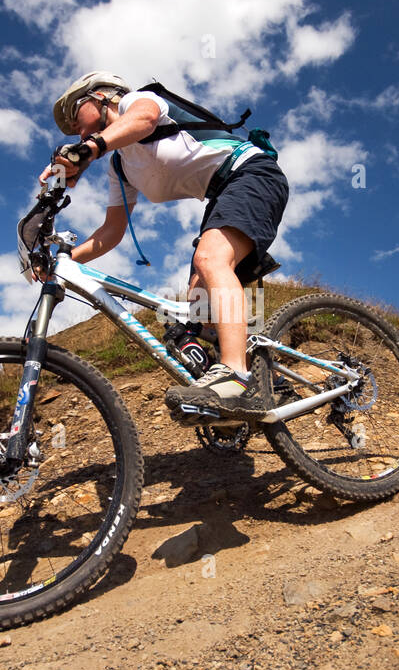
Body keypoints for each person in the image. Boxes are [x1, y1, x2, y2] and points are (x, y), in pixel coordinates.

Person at [39, 71, 289, 419]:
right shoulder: (120, 166)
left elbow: (143, 119)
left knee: (210, 260)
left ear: (99, 96)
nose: (77, 131)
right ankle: (267, 381)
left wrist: (88, 149)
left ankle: (237, 378)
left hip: (252, 174)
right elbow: (111, 232)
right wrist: (60, 260)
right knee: (198, 303)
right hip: (220, 198)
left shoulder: (137, 101)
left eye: (75, 117)